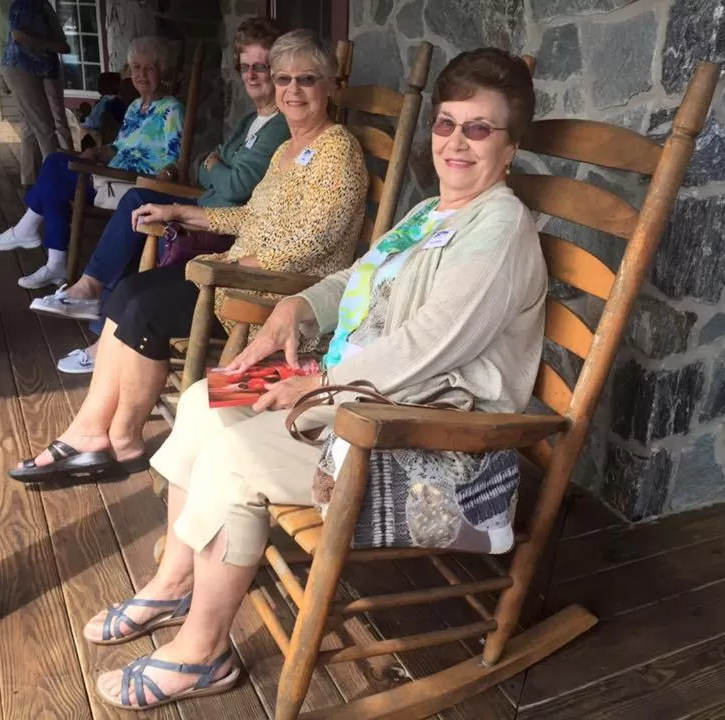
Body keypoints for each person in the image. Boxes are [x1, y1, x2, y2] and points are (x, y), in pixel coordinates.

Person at [84, 48, 543, 709]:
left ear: (511, 145)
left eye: (478, 128)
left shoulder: (497, 226)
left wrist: (316, 388)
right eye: (446, 124)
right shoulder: (429, 213)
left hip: (431, 448)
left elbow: (429, 346)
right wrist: (293, 310)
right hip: (360, 399)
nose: (455, 142)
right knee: (204, 400)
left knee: (236, 453)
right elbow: (357, 277)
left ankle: (200, 654)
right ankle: (172, 585)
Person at [8, 29, 368, 486]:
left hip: (271, 297)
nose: (292, 91)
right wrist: (183, 212)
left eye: (307, 80)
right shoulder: (285, 149)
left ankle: (118, 439)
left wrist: (237, 266)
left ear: (330, 85)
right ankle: (95, 431)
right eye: (284, 79)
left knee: (145, 307)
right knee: (130, 291)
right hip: (238, 273)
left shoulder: (339, 153)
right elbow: (251, 216)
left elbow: (311, 244)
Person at [28, 18, 292, 375]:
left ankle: (97, 317)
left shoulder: (280, 126)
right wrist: (214, 167)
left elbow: (238, 185)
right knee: (140, 208)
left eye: (261, 67)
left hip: (225, 225)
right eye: (245, 67)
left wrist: (213, 168)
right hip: (206, 207)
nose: (252, 75)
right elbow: (201, 162)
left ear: (277, 69)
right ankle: (95, 308)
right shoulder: (251, 121)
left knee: (141, 209)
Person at [0, 36, 185, 291]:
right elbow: (119, 147)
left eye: (149, 68)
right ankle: (50, 256)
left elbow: (173, 160)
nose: (142, 74)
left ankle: (38, 243)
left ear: (162, 71)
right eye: (136, 68)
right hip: (110, 175)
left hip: (130, 186)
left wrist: (158, 181)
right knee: (55, 172)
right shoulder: (136, 106)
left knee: (56, 168)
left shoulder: (172, 109)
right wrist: (96, 152)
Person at [0, 0, 72, 187]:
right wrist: (50, 45)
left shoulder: (41, 5)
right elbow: (16, 35)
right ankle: (56, 183)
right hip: (21, 67)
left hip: (37, 69)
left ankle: (30, 181)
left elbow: (60, 42)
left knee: (31, 127)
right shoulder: (23, 4)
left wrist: (54, 45)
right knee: (44, 126)